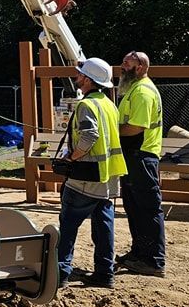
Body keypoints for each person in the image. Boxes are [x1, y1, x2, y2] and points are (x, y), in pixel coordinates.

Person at [57, 57, 126, 290]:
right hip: (107, 179)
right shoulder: (109, 105)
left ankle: (60, 273)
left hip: (85, 178)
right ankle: (105, 274)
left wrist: (71, 157)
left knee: (68, 225)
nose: (77, 78)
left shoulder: (87, 105)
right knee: (104, 227)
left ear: (88, 80)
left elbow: (90, 136)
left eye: (80, 75)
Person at [117, 51, 165, 277]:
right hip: (133, 157)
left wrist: (110, 134)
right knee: (134, 208)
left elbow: (135, 127)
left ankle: (154, 260)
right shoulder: (133, 90)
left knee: (147, 209)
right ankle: (139, 254)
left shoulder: (143, 92)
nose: (122, 67)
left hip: (142, 156)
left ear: (141, 67)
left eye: (128, 63)